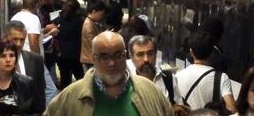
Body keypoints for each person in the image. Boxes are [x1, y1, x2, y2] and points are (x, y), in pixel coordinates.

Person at [44, 31, 173, 116]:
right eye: (104, 57)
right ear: (93, 59)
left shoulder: (149, 90)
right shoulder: (72, 96)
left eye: (117, 55)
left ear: (125, 56)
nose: (111, 63)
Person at [0, 21, 46, 114]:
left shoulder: (36, 60)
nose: (19, 44)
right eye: (15, 39)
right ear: (5, 38)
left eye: (22, 39)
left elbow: (39, 100)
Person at [127, 35, 190, 116]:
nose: (146, 59)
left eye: (150, 54)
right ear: (131, 57)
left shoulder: (167, 77)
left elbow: (179, 107)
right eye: (140, 54)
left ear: (156, 54)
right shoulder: (127, 82)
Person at [176, 31, 237, 113]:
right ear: (212, 52)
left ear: (191, 53)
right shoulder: (221, 78)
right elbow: (232, 108)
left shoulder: (177, 76)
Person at [52, 0, 85, 89]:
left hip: (63, 54)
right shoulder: (79, 21)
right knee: (80, 78)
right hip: (75, 54)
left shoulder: (61, 18)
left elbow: (55, 27)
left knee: (65, 79)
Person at [81, 0, 107, 71]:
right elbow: (94, 43)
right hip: (90, 61)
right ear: (94, 11)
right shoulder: (88, 25)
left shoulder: (92, 22)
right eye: (101, 15)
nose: (101, 17)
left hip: (91, 59)